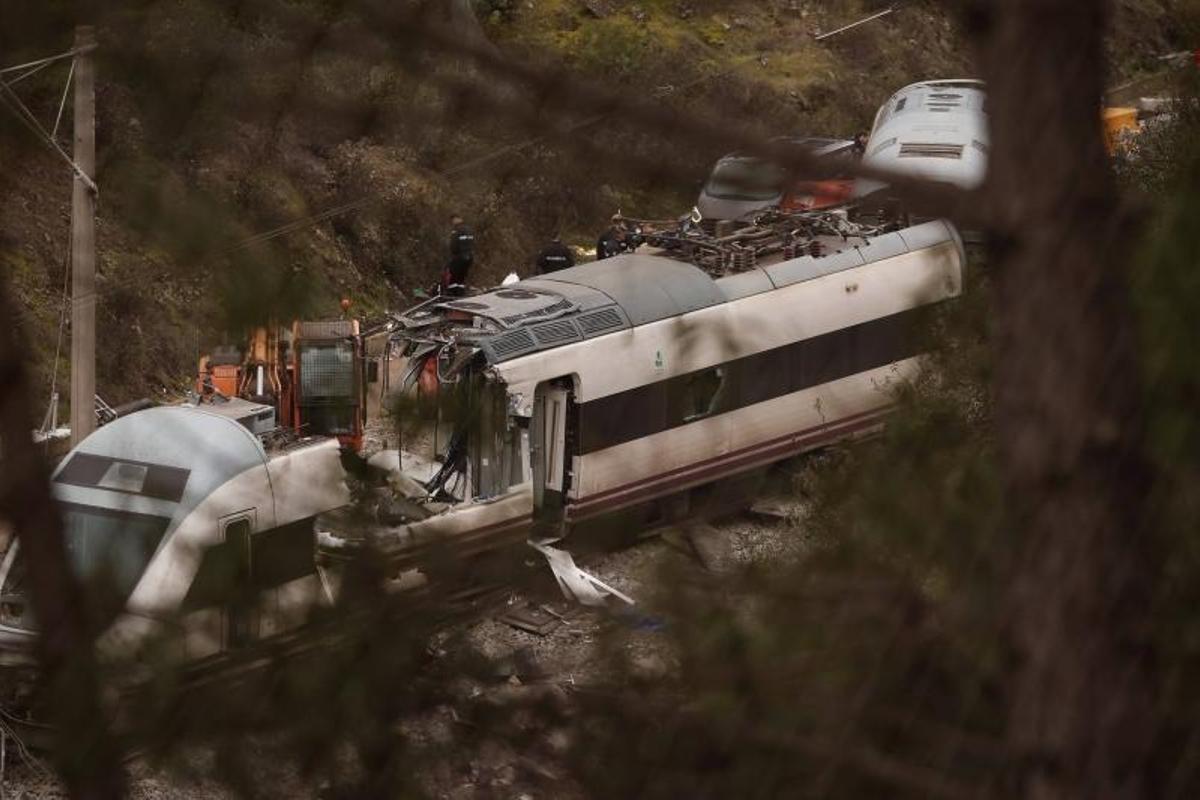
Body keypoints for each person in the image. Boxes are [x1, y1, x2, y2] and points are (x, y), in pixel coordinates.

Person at [441, 214, 474, 296]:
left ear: (457, 219)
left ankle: (452, 294)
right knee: (461, 277)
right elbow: (472, 243)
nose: (453, 222)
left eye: (453, 219)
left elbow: (453, 246)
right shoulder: (469, 229)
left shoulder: (456, 230)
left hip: (459, 257)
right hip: (469, 257)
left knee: (454, 276)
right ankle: (460, 294)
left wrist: (453, 254)